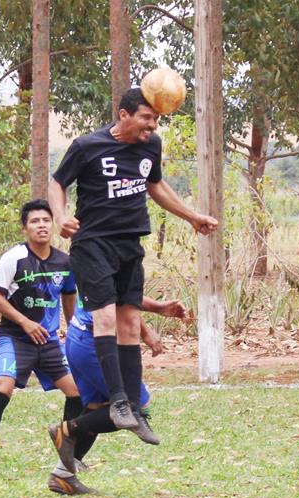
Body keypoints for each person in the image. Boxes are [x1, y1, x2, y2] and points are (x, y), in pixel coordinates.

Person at [48, 87, 217, 436]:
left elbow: (155, 186)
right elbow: (56, 183)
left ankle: (133, 410)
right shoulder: (87, 146)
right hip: (93, 243)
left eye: (155, 119)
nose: (152, 125)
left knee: (130, 320)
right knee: (106, 316)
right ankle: (120, 400)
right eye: (145, 117)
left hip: (129, 243)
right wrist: (59, 216)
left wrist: (191, 216)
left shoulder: (150, 146)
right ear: (123, 115)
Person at [0, 199, 86, 492]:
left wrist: (73, 334)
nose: (41, 225)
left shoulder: (65, 262)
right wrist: (25, 323)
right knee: (2, 387)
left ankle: (68, 454)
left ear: (53, 225)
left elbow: (69, 300)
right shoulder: (14, 258)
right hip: (16, 338)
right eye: (34, 221)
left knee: (77, 391)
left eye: (46, 220)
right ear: (25, 228)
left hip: (48, 343)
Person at [46, 295, 185, 490]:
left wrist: (147, 326)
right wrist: (155, 314)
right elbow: (120, 296)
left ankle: (62, 476)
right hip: (92, 343)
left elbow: (122, 297)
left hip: (80, 337)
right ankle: (67, 430)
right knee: (133, 405)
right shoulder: (108, 264)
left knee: (97, 409)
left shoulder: (94, 264)